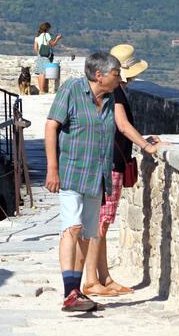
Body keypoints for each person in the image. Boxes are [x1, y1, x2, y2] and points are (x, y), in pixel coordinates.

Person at [80, 44, 161, 297]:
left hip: (108, 161)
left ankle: (103, 277)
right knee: (100, 224)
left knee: (101, 223)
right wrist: (146, 145)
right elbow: (123, 126)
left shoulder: (115, 92)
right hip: (111, 164)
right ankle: (91, 279)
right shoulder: (116, 95)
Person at [44, 51, 122, 312]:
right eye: (116, 74)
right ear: (99, 75)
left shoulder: (110, 99)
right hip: (72, 172)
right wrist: (52, 168)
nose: (119, 78)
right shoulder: (72, 90)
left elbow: (120, 127)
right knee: (72, 227)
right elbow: (51, 126)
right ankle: (69, 292)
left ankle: (76, 291)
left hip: (96, 176)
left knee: (87, 235)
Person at [34, 21, 62, 94]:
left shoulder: (37, 37)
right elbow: (52, 44)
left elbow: (35, 48)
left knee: (40, 73)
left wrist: (39, 53)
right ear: (47, 28)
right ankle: (43, 90)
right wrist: (57, 39)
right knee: (44, 72)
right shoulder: (47, 35)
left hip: (40, 55)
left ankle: (41, 90)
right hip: (46, 55)